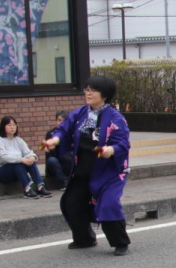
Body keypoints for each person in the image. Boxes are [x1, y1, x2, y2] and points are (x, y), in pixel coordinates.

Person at [44, 75, 132, 256]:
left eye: (93, 90)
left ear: (105, 95)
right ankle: (84, 239)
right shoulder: (80, 113)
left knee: (108, 204)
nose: (88, 93)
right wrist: (54, 140)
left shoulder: (116, 118)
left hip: (108, 171)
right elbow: (64, 129)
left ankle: (120, 242)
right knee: (71, 202)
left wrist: (110, 150)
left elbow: (123, 144)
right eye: (87, 89)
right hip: (83, 168)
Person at [0, 116, 50, 199]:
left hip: (15, 172)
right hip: (0, 172)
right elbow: (4, 157)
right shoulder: (0, 141)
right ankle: (27, 190)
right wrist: (21, 159)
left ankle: (39, 187)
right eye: (9, 125)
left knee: (30, 162)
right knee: (18, 164)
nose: (12, 127)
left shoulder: (18, 140)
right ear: (3, 126)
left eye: (14, 125)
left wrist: (32, 157)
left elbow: (28, 152)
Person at [44, 110, 73, 188]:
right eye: (59, 120)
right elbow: (44, 149)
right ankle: (64, 181)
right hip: (56, 163)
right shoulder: (50, 133)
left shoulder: (71, 134)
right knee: (52, 160)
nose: (61, 123)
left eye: (64, 121)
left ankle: (71, 180)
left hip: (68, 162)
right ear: (56, 121)